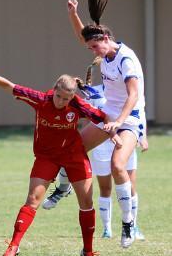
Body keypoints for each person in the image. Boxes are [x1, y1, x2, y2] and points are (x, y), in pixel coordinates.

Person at [0, 61, 123, 256]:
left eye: (66, 98)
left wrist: (114, 133)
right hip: (47, 157)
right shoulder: (41, 99)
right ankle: (14, 245)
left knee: (86, 201)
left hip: (73, 155)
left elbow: (102, 117)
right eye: (59, 96)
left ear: (72, 97)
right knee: (33, 199)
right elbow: (9, 86)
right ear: (54, 90)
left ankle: (88, 252)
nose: (61, 101)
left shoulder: (77, 105)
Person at [45, 0, 146, 249]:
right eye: (89, 48)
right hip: (109, 114)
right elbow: (82, 36)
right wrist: (73, 14)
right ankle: (63, 188)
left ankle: (128, 224)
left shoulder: (126, 59)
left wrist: (119, 123)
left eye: (94, 47)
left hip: (130, 117)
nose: (92, 52)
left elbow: (134, 96)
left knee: (117, 165)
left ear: (105, 39)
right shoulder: (103, 50)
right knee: (73, 149)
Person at [43, 81, 148, 241]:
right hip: (102, 145)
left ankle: (132, 226)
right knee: (104, 188)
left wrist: (143, 136)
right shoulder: (94, 91)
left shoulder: (133, 91)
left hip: (126, 139)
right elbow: (87, 114)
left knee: (130, 186)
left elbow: (141, 113)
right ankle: (107, 229)